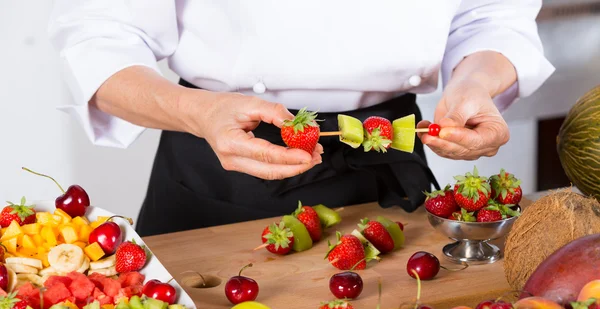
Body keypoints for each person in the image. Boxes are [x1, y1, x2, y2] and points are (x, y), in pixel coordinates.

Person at [48, 1, 554, 236]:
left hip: (389, 163)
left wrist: (474, 82)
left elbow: (490, 17)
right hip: (221, 161)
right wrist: (198, 112)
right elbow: (96, 37)